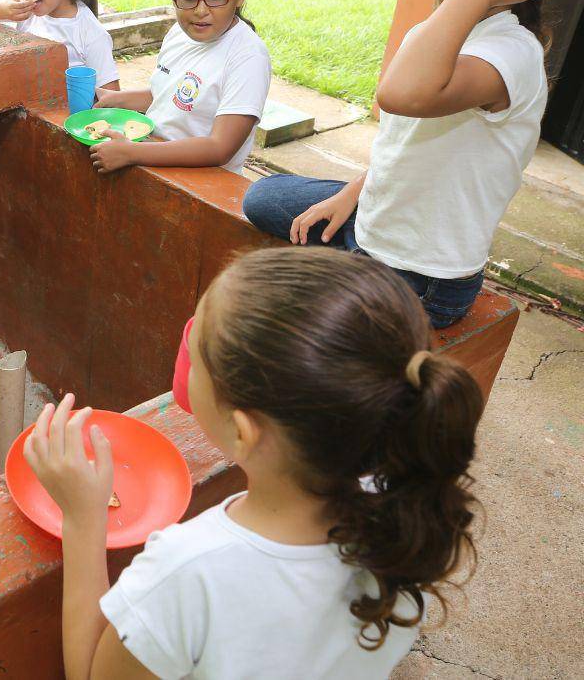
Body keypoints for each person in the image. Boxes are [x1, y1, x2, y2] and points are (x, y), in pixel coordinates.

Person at [25, 247, 483, 680]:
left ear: (244, 432)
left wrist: (84, 520)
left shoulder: (188, 571)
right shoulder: (407, 508)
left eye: (198, 348)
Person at [243, 0, 575, 327]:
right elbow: (409, 146)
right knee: (264, 197)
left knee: (299, 334)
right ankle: (355, 241)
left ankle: (361, 277)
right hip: (379, 220)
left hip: (421, 274)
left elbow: (400, 96)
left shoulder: (510, 51)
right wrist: (350, 194)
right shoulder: (437, 32)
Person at [87, 0, 271, 176]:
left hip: (204, 181)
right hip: (154, 156)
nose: (200, 10)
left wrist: (131, 153)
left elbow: (220, 148)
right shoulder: (179, 33)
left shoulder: (248, 57)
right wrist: (114, 99)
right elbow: (167, 95)